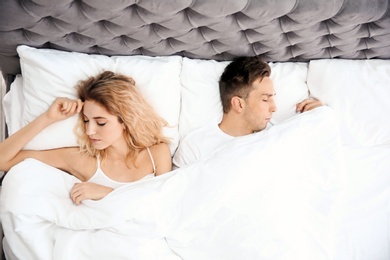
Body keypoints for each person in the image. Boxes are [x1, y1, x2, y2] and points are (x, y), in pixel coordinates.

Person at [0, 71, 172, 205]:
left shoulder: (156, 153)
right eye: (86, 121)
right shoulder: (81, 160)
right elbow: (2, 160)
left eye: (101, 123)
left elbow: (166, 205)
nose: (89, 131)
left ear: (125, 120)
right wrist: (48, 118)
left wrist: (106, 192)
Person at [173, 56, 323, 168]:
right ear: (238, 104)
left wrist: (317, 118)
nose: (274, 108)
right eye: (265, 99)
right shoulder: (196, 146)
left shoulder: (277, 133)